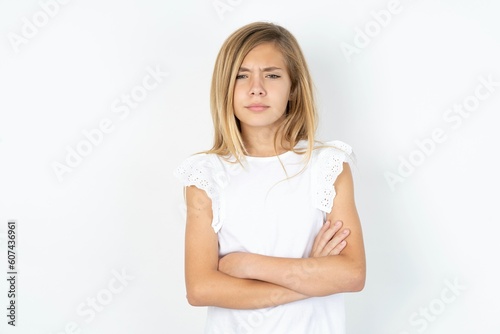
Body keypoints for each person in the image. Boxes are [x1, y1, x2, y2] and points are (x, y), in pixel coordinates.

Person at [174, 21, 365, 334]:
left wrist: (247, 266)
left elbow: (351, 274)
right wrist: (311, 276)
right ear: (226, 88)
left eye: (272, 75)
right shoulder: (206, 174)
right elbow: (201, 288)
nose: (256, 88)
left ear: (293, 88)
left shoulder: (327, 166)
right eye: (241, 75)